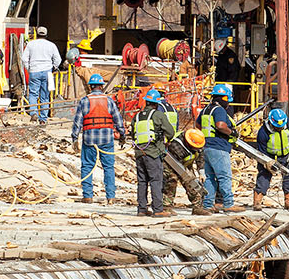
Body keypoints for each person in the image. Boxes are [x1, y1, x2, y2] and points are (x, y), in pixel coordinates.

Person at [70, 73, 125, 204]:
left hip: (89, 139)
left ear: (91, 87)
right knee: (108, 167)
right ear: (101, 86)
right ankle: (110, 196)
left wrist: (75, 138)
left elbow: (77, 121)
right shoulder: (109, 101)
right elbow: (118, 119)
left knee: (87, 166)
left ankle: (88, 196)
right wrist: (122, 135)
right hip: (107, 139)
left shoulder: (85, 101)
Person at [199, 83, 245, 212]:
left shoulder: (206, 110)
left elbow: (198, 125)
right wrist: (231, 132)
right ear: (224, 98)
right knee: (224, 176)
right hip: (218, 147)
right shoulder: (219, 110)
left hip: (206, 146)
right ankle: (228, 204)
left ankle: (208, 205)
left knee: (209, 177)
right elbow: (220, 125)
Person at [133, 88, 176, 216]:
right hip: (153, 153)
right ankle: (158, 209)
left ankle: (141, 209)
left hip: (139, 152)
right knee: (156, 180)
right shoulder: (158, 115)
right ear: (156, 103)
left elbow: (132, 132)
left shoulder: (137, 116)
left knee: (142, 181)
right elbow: (171, 132)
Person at [254, 107, 289, 209]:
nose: (280, 128)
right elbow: (261, 150)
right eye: (277, 127)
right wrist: (267, 162)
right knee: (264, 176)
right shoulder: (263, 132)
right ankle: (257, 201)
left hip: (287, 155)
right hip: (269, 156)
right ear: (271, 123)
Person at [163, 127, 210, 215]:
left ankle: (197, 207)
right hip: (171, 163)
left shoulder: (198, 142)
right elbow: (179, 168)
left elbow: (200, 156)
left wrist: (201, 172)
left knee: (193, 184)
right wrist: (187, 177)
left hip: (185, 163)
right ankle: (166, 206)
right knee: (171, 182)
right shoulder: (177, 146)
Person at [22, 26, 63, 124]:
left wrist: (29, 68)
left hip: (34, 71)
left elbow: (24, 59)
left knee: (33, 94)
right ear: (46, 35)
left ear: (37, 33)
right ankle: (43, 119)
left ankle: (33, 113)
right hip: (47, 72)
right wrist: (52, 68)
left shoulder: (31, 44)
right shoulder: (51, 45)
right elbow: (58, 60)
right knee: (45, 96)